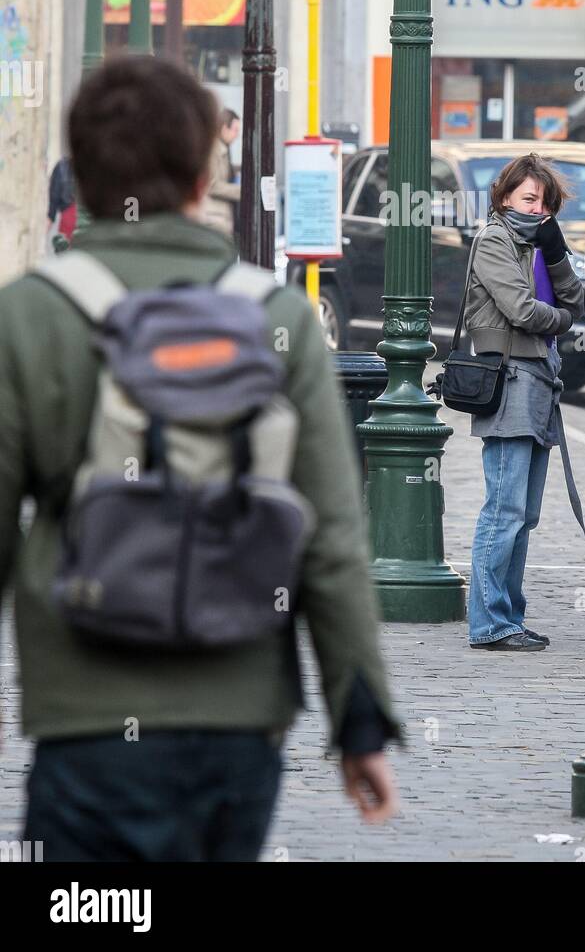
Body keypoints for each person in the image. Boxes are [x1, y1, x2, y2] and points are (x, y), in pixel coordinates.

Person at [0, 56, 400, 862]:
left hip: (84, 713)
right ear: (199, 176)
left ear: (81, 175)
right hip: (237, 716)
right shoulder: (277, 315)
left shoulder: (31, 317)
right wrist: (359, 722)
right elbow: (330, 537)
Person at [464, 154, 585, 653]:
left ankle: (509, 614)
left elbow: (577, 296)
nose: (537, 210)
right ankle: (489, 621)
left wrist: (555, 254)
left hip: (540, 379)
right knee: (505, 507)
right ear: (504, 197)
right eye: (528, 199)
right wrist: (562, 321)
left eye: (545, 203)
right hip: (510, 377)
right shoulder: (495, 240)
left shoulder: (541, 243)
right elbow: (521, 310)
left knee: (526, 512)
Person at [203, 106, 241, 240]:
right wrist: (241, 191)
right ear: (225, 128)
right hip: (215, 219)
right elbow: (211, 185)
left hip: (221, 218)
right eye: (235, 130)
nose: (237, 135)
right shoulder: (214, 151)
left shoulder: (223, 150)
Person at [46, 155, 77, 243]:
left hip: (68, 216)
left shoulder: (62, 166)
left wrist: (51, 216)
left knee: (64, 250)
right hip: (73, 217)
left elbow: (54, 194)